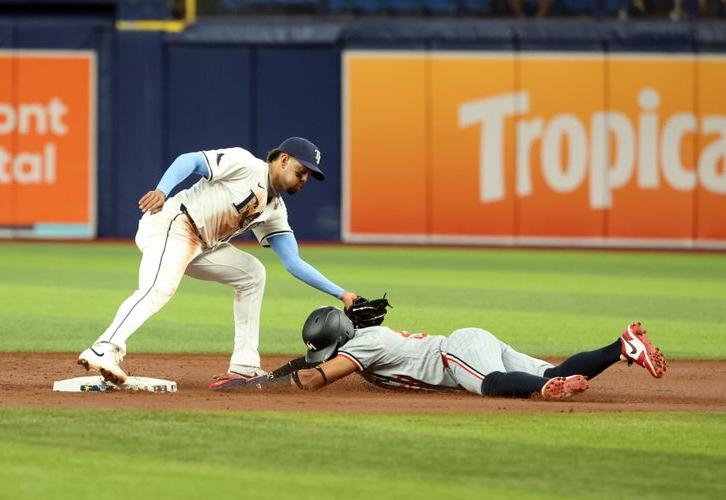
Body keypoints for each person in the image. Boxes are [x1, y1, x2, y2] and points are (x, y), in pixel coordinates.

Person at [78, 138, 358, 384]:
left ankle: (245, 364)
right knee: (158, 289)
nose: (304, 178)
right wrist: (162, 191)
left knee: (253, 274)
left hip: (202, 244)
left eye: (309, 175)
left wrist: (343, 294)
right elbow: (190, 161)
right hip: (174, 222)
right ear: (283, 160)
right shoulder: (246, 164)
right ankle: (104, 347)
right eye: (301, 171)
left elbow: (294, 263)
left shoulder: (274, 210)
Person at [213, 306, 667, 400]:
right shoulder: (363, 336)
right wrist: (259, 377)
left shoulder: (366, 343)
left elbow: (314, 378)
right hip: (470, 342)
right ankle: (620, 345)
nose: (324, 357)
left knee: (490, 386)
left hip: (457, 353)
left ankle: (546, 389)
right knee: (556, 366)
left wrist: (247, 388)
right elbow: (305, 364)